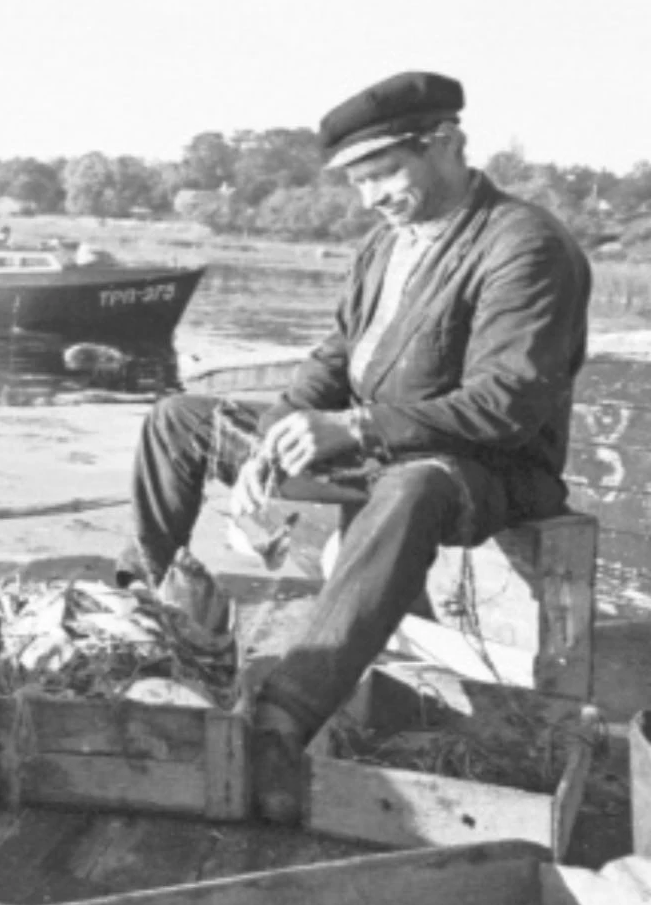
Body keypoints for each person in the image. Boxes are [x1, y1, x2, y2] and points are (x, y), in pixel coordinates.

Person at [116, 71, 591, 823]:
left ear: (446, 144)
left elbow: (508, 404)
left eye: (385, 174)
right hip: (375, 452)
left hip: (482, 469)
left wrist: (360, 429)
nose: (372, 197)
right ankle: (145, 614)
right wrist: (273, 441)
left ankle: (283, 717)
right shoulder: (385, 245)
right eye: (360, 182)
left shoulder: (524, 244)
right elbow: (334, 362)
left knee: (411, 489)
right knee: (180, 418)